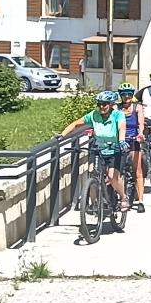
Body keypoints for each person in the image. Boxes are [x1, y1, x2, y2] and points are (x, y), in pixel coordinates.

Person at [58, 91, 129, 219]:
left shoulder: (118, 115)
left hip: (115, 150)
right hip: (99, 149)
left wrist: (122, 140)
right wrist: (61, 136)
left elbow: (121, 128)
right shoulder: (94, 115)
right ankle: (94, 204)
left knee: (112, 176)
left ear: (111, 104)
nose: (101, 107)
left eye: (104, 104)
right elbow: (76, 124)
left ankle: (123, 197)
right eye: (99, 104)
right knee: (92, 173)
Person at [116, 84, 146, 212]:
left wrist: (140, 134)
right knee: (117, 170)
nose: (127, 97)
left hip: (133, 139)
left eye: (129, 94)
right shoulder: (116, 108)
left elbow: (141, 123)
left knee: (137, 171)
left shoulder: (137, 107)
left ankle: (140, 201)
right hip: (120, 140)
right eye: (124, 94)